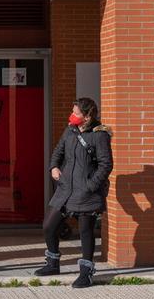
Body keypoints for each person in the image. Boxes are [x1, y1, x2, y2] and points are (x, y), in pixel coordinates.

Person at [34, 98, 112, 289]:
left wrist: (90, 185)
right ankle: (52, 263)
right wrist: (53, 167)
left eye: (76, 113)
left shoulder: (99, 136)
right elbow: (58, 152)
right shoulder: (70, 130)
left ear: (88, 116)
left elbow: (106, 164)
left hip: (86, 192)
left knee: (86, 231)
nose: (72, 115)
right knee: (49, 226)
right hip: (65, 189)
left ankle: (86, 273)